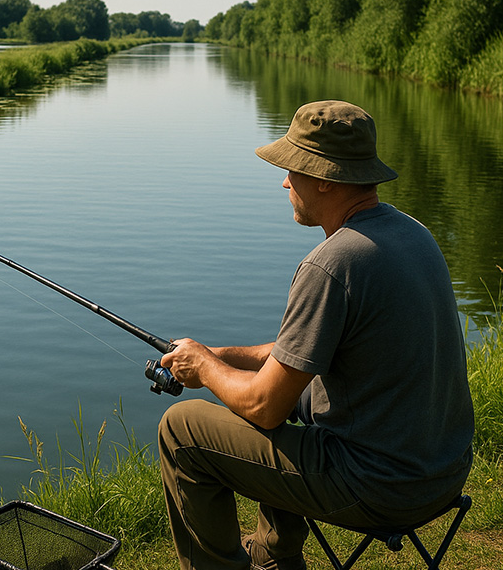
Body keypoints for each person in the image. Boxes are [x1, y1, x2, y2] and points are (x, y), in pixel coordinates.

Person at [157, 100, 474, 570]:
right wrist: (222, 356)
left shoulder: (331, 264)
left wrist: (205, 368)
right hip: (442, 472)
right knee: (300, 394)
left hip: (380, 488)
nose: (285, 182)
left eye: (292, 169)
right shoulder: (412, 234)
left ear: (324, 178)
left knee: (181, 428)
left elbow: (265, 406)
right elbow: (300, 354)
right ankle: (272, 556)